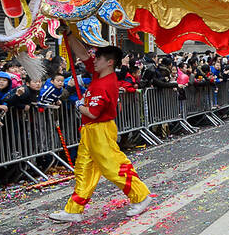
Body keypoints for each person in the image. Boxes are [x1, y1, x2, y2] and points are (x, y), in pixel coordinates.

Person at [49, 36, 152, 224]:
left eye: (98, 58)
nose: (93, 61)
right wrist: (69, 35)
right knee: (84, 169)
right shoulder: (99, 74)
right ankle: (74, 209)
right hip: (90, 130)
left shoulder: (106, 84)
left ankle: (141, 195)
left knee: (112, 166)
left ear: (109, 62)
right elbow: (82, 54)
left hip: (100, 129)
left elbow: (93, 113)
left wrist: (78, 104)